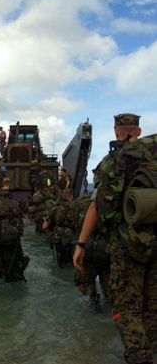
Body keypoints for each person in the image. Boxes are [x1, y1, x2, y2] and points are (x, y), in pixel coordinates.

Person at [73, 113, 157, 364]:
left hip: (125, 243)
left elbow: (97, 206)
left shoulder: (112, 162)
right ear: (139, 131)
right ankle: (151, 351)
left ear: (115, 131)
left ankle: (138, 357)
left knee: (127, 306)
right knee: (152, 305)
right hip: (155, 241)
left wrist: (81, 243)